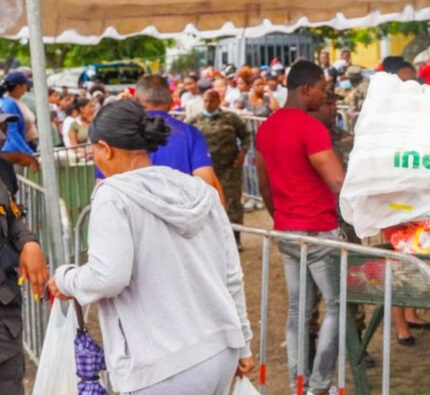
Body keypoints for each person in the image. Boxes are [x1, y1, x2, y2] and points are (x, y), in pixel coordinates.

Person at [47, 100, 254, 394]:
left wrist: (66, 278)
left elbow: (108, 277)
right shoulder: (199, 191)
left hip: (162, 365)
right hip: (220, 350)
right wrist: (243, 342)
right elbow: (232, 274)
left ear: (105, 148)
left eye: (93, 150)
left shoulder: (113, 195)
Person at [255, 60, 343, 395]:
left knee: (298, 310)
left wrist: (280, 217)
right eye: (322, 87)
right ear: (305, 88)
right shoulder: (311, 128)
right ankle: (319, 384)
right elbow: (337, 180)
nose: (324, 94)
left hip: (286, 230)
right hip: (318, 229)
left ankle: (298, 382)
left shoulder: (266, 128)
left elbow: (264, 186)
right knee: (335, 307)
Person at [95, 75, 225, 204]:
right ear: (171, 101)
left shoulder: (117, 134)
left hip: (132, 217)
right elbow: (208, 184)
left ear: (136, 101)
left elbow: (102, 189)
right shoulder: (191, 134)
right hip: (181, 216)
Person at [0, 109, 48, 395]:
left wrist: (29, 242)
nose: (3, 135)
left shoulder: (2, 170)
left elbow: (12, 215)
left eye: (5, 126)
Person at [187, 91, 251, 249]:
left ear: (218, 101)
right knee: (204, 201)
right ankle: (211, 239)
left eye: (212, 101)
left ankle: (235, 238)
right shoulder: (195, 120)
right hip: (205, 170)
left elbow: (246, 136)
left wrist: (242, 153)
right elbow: (186, 139)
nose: (208, 105)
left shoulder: (230, 118)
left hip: (229, 168)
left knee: (232, 202)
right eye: (206, 101)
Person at [0, 72, 35, 155]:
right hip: (14, 151)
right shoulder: (9, 104)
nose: (27, 88)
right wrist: (29, 153)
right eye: (25, 85)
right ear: (19, 87)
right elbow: (12, 132)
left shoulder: (10, 101)